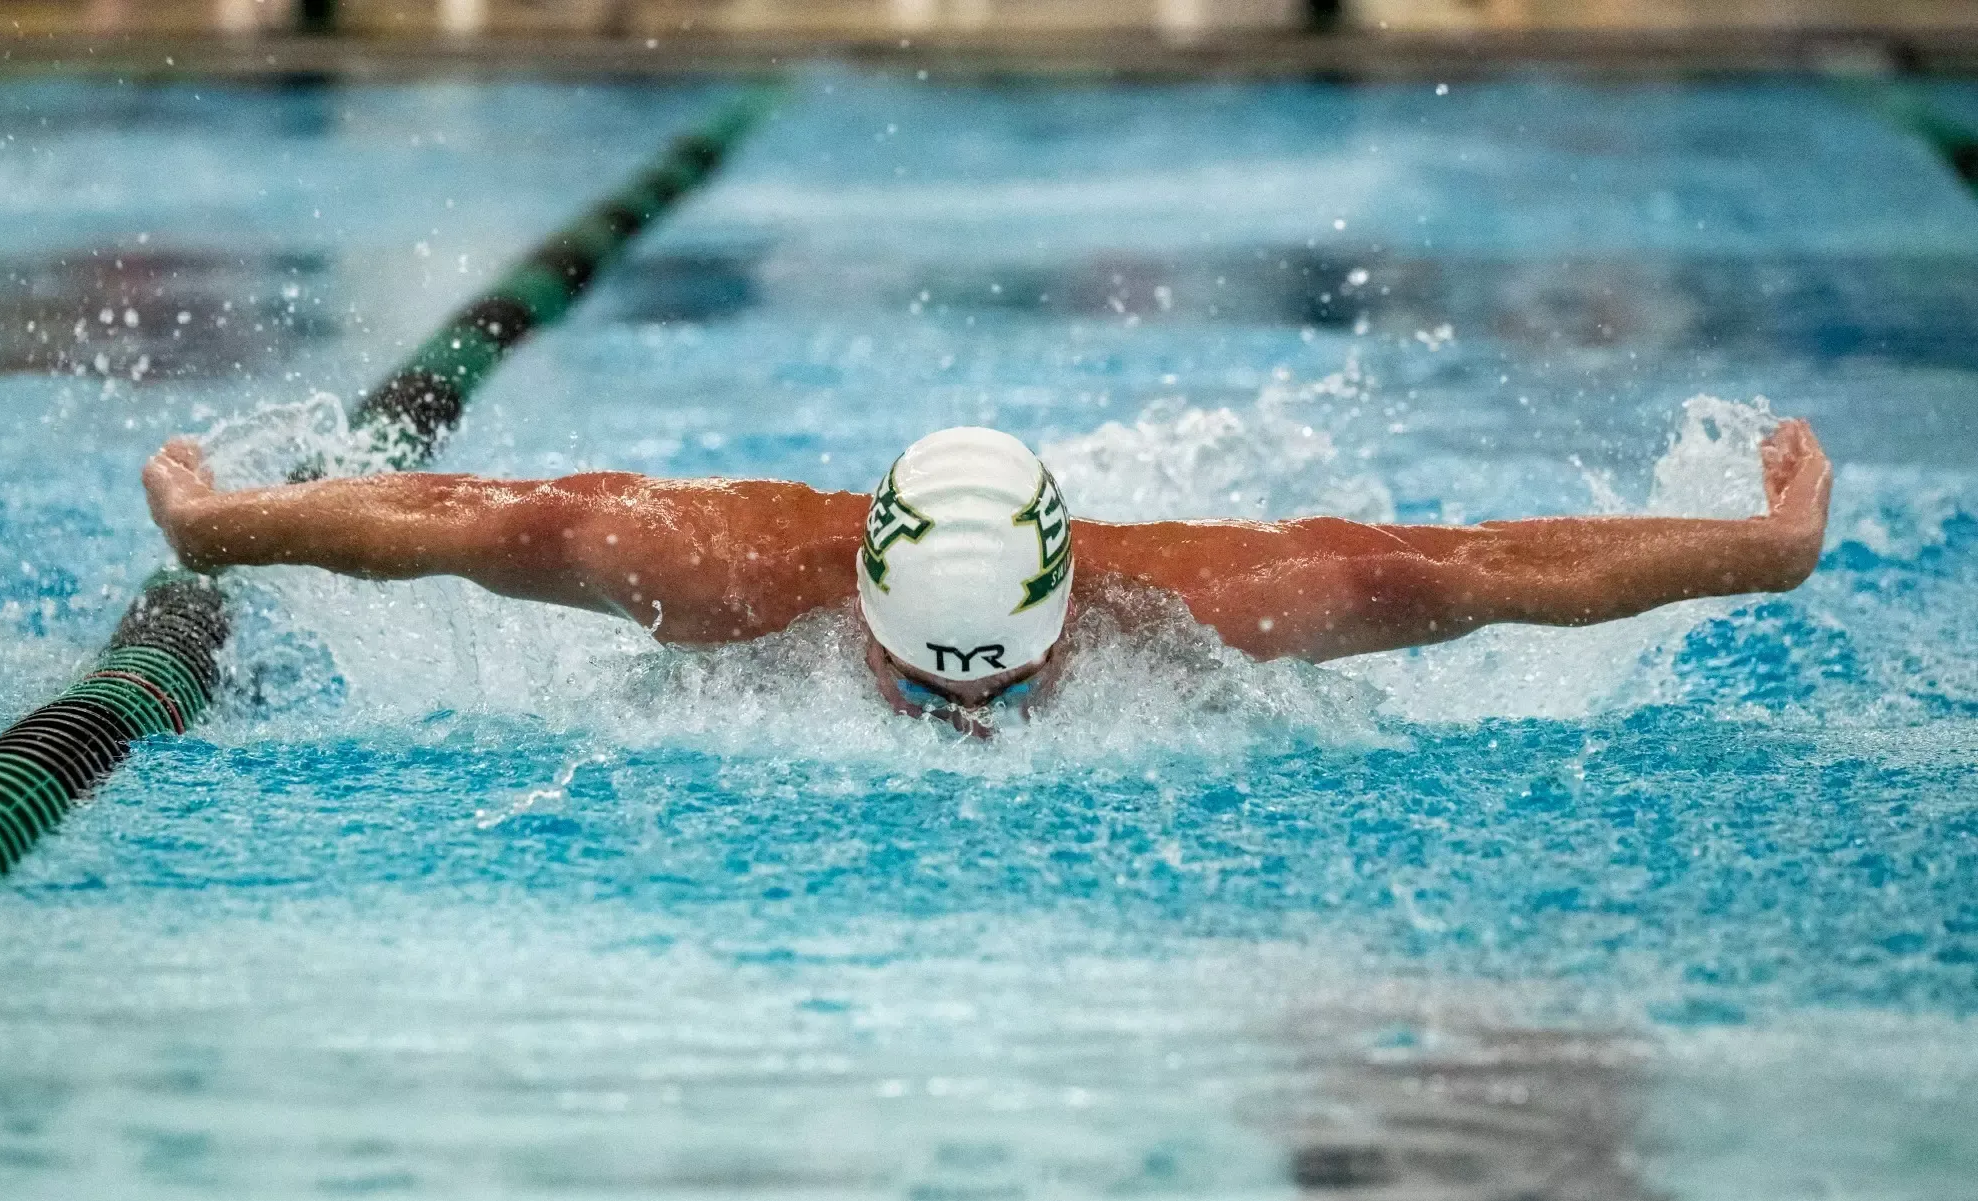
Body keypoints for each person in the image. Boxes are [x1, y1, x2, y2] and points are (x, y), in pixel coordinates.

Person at [142, 419, 1832, 737]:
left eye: (1001, 682)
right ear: (862, 615)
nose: (968, 721)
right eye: (926, 680)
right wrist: (227, 526)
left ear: (1065, 604)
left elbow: (1474, 572)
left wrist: (1760, 554)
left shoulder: (1209, 597)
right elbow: (471, 513)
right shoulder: (723, 572)